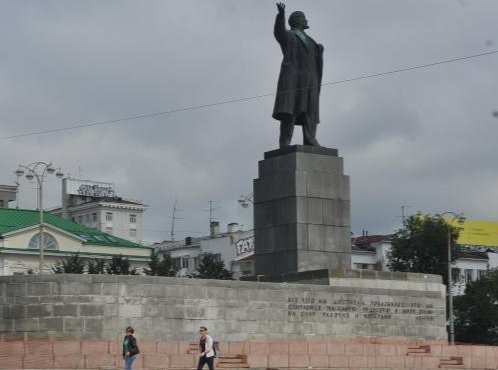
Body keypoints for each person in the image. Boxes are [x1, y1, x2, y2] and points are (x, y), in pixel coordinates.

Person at [273, 2, 324, 148]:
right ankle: (285, 143)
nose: (306, 20)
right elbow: (279, 33)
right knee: (290, 112)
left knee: (310, 111)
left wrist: (319, 52)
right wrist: (280, 16)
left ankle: (310, 139)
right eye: (303, 18)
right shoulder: (289, 36)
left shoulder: (311, 41)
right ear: (296, 21)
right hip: (294, 80)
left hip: (310, 81)